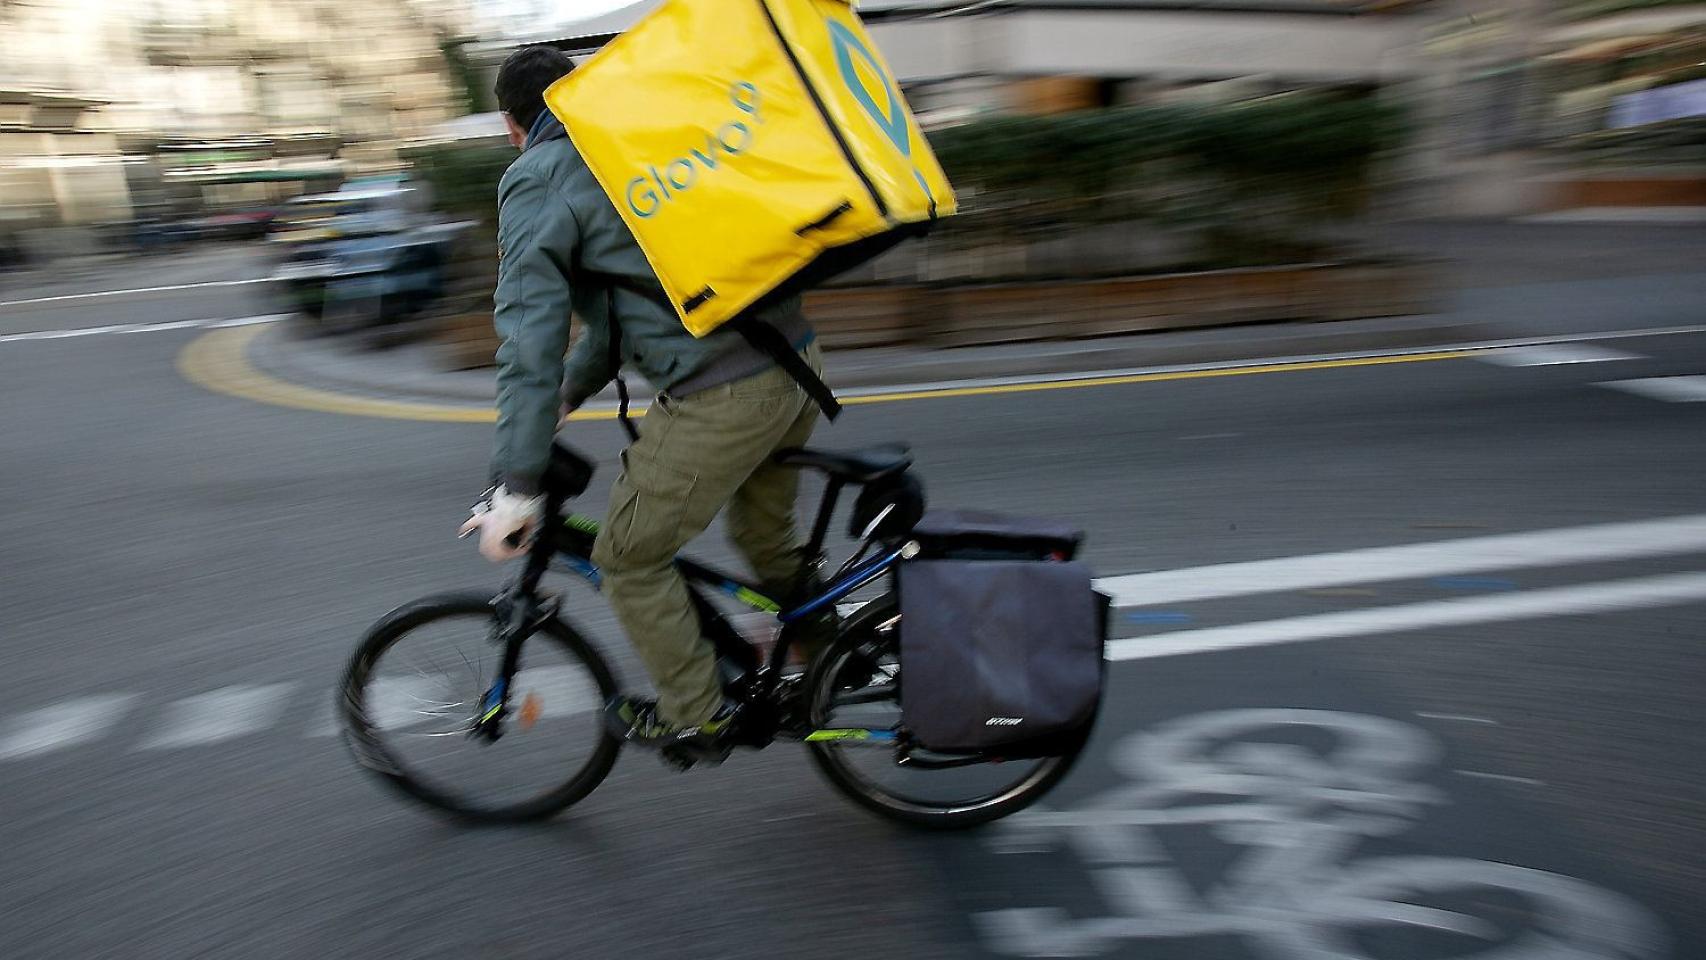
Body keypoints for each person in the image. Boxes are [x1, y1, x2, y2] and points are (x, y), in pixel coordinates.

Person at [458, 45, 828, 759]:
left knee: (628, 559)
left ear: (512, 125)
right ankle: (838, 655)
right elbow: (631, 305)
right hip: (794, 362)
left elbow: (528, 343)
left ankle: (699, 714)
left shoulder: (538, 177)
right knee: (764, 540)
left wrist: (517, 485)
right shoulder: (637, 147)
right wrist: (572, 391)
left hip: (725, 394)